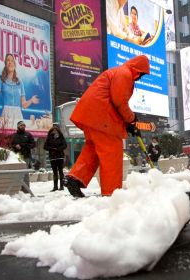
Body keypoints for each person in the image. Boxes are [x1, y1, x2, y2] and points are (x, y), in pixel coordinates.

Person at [64, 55, 151, 197]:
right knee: (112, 151)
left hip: (91, 115)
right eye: (142, 74)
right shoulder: (125, 73)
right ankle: (112, 193)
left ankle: (75, 178)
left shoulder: (117, 72)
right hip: (102, 117)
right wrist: (132, 119)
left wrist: (127, 124)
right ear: (137, 70)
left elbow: (114, 100)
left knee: (93, 149)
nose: (141, 77)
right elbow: (119, 101)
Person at [0, 53, 40, 131]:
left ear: (14, 64)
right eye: (8, 61)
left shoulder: (20, 82)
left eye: (12, 61)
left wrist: (31, 100)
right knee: (7, 140)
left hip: (18, 115)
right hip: (6, 114)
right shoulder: (1, 80)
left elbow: (24, 105)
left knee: (19, 138)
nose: (10, 62)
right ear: (5, 65)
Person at [11, 120, 36, 187]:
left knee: (25, 173)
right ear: (18, 126)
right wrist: (15, 146)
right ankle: (17, 187)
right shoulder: (14, 135)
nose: (23, 126)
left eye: (24, 125)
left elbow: (33, 144)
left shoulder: (28, 135)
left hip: (26, 156)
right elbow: (10, 145)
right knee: (17, 173)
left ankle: (26, 188)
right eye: (21, 125)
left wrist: (23, 146)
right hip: (16, 158)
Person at [43, 125, 67, 191]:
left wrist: (58, 149)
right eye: (53, 130)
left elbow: (65, 145)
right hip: (52, 157)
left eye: (56, 130)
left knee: (60, 171)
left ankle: (61, 186)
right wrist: (52, 149)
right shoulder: (49, 138)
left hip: (60, 156)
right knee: (55, 172)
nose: (54, 131)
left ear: (58, 130)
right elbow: (45, 147)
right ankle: (55, 187)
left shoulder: (61, 137)